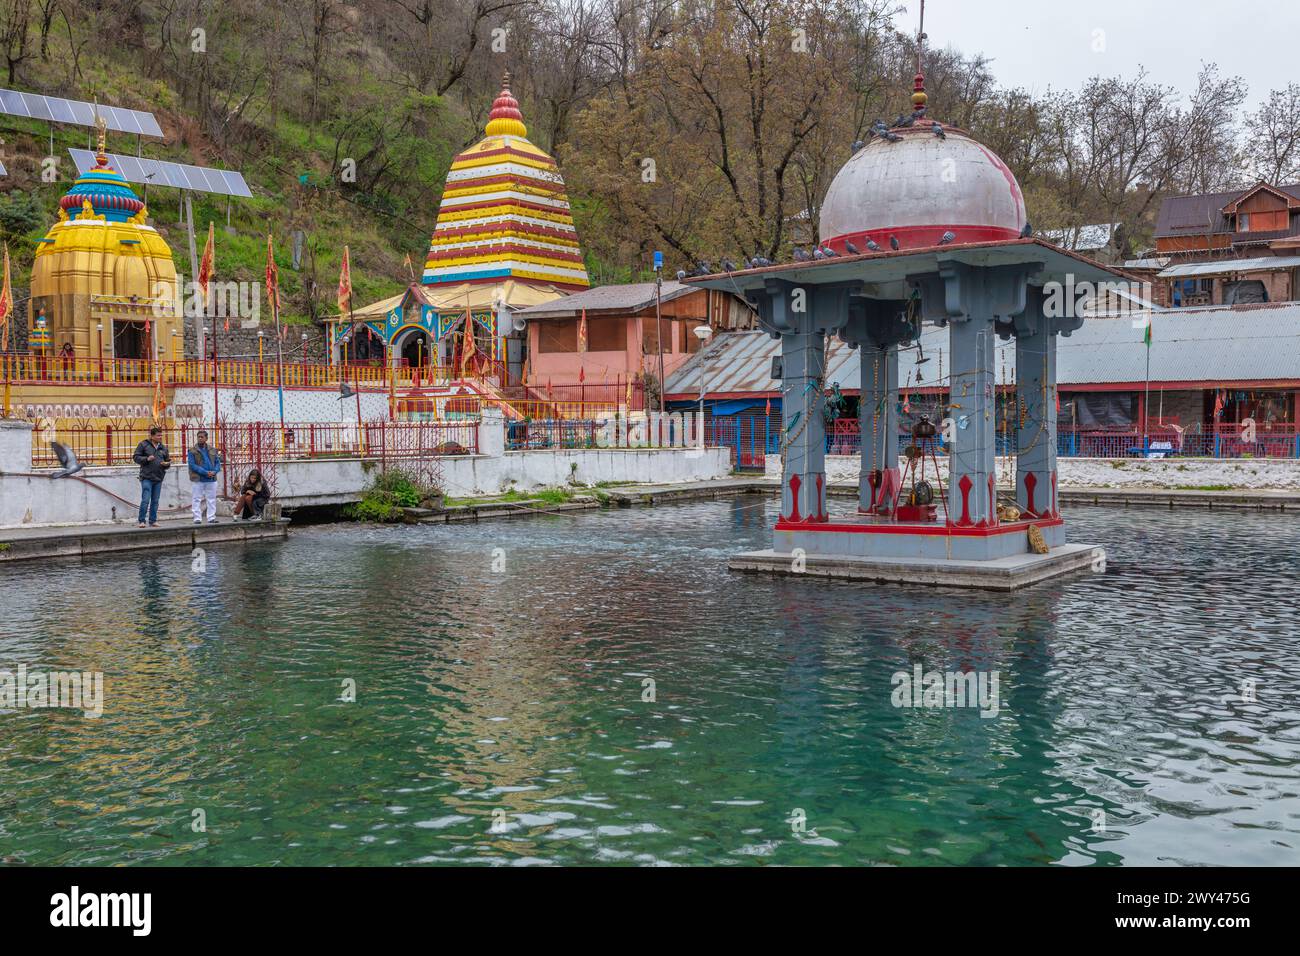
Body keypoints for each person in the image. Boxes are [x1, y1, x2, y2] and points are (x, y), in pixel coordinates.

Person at [132, 426, 171, 528]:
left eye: (161, 435)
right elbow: (135, 457)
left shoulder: (163, 447)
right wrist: (147, 459)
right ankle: (141, 521)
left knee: (155, 500)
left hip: (158, 478)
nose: (160, 437)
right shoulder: (143, 445)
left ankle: (153, 520)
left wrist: (166, 464)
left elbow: (168, 461)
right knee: (145, 499)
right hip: (146, 477)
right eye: (158, 435)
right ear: (152, 436)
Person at [187, 430, 222, 524]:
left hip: (211, 479)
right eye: (199, 437)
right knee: (196, 498)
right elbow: (192, 465)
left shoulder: (212, 449)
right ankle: (197, 518)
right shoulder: (192, 450)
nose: (200, 438)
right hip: (198, 479)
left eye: (202, 437)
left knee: (211, 499)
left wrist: (214, 471)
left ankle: (211, 518)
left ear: (206, 438)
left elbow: (217, 463)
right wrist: (205, 472)